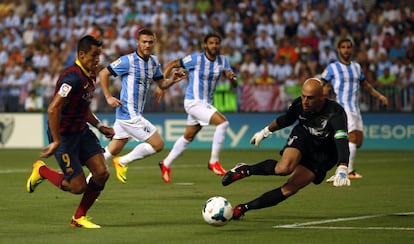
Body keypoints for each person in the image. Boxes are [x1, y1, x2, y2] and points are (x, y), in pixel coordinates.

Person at [222, 78, 351, 220]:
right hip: (304, 138)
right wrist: (265, 132)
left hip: (324, 154)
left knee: (291, 188)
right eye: (303, 96)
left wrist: (342, 167)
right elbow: (285, 120)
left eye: (310, 98)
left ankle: (244, 208)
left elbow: (341, 139)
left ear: (322, 97)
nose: (305, 101)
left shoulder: (336, 112)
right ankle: (245, 169)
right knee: (284, 168)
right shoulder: (299, 105)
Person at [26, 35, 115, 228]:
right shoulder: (72, 77)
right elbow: (53, 109)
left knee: (102, 173)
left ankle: (78, 218)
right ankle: (41, 170)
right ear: (81, 54)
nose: (97, 60)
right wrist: (56, 141)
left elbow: (82, 107)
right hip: (64, 136)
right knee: (77, 187)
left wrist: (100, 126)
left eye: (99, 55)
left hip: (81, 131)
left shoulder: (90, 75)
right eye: (93, 55)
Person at [95, 29, 185, 184]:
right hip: (129, 115)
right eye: (144, 41)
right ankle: (122, 162)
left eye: (150, 42)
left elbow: (161, 84)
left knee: (111, 151)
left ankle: (90, 183)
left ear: (154, 43)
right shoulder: (127, 61)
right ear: (138, 42)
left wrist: (171, 80)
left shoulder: (154, 62)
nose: (147, 45)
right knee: (158, 144)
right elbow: (103, 73)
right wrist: (108, 97)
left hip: (129, 115)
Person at [159, 32, 237, 183]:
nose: (215, 45)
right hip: (193, 102)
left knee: (188, 136)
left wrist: (231, 78)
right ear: (205, 45)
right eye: (212, 43)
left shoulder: (223, 61)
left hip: (206, 103)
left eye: (217, 43)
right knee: (223, 123)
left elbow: (234, 85)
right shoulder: (197, 59)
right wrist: (161, 85)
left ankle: (165, 164)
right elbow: (172, 64)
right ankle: (213, 161)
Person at [320, 38, 388, 179]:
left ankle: (335, 157)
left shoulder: (357, 67)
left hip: (355, 109)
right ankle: (348, 171)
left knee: (358, 141)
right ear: (338, 50)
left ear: (352, 49)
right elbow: (321, 84)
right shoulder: (332, 68)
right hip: (343, 108)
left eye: (348, 47)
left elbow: (366, 85)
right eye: (343, 47)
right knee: (352, 138)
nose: (346, 49)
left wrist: (380, 96)